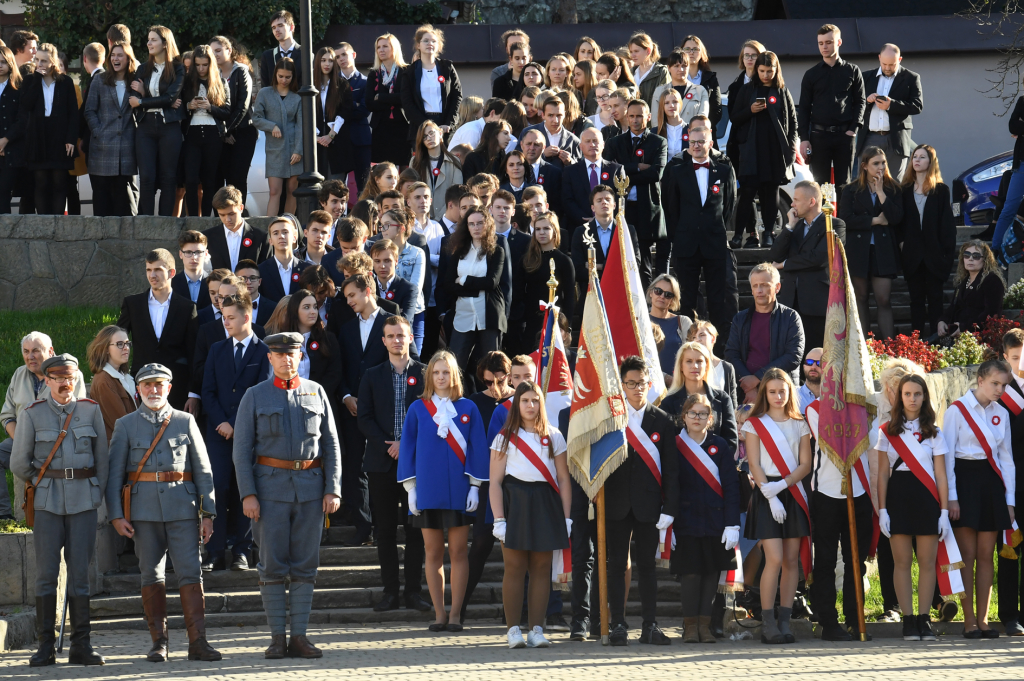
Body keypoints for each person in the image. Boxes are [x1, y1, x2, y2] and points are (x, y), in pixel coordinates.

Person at [233, 332, 342, 659]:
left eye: (291, 354)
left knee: (306, 566)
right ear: (270, 358)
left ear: (300, 356)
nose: (286, 360)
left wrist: (332, 487)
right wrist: (248, 495)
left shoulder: (316, 392)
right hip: (269, 494)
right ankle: (277, 637)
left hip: (310, 491)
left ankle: (300, 636)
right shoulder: (255, 395)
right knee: (272, 566)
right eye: (279, 355)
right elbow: (241, 451)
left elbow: (332, 445)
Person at [105, 363, 220, 662]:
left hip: (183, 509)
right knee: (151, 575)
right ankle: (159, 643)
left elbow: (203, 471)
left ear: (169, 388)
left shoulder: (185, 421)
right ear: (138, 390)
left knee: (191, 574)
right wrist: (116, 515)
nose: (153, 390)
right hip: (143, 514)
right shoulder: (125, 425)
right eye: (147, 386)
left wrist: (208, 514)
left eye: (159, 385)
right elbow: (115, 476)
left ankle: (198, 642)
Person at [11, 354, 107, 667]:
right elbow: (19, 462)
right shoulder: (32, 414)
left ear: (76, 378)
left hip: (83, 503)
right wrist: (44, 481)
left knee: (80, 576)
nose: (64, 383)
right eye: (58, 378)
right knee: (46, 576)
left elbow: (102, 460)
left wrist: (95, 494)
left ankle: (82, 645)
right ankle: (45, 648)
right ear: (48, 380)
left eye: (69, 377)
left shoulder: (90, 410)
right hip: (48, 503)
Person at [398, 351, 488, 632]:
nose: (440, 377)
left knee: (459, 552)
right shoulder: (417, 408)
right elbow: (408, 450)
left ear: (454, 376)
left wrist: (475, 486)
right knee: (432, 551)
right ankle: (439, 613)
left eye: (446, 372)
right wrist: (410, 489)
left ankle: (456, 614)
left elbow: (478, 448)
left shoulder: (468, 408)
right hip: (427, 492)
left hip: (460, 492)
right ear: (429, 376)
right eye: (436, 372)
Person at [601, 356, 678, 645]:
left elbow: (671, 469)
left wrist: (669, 507)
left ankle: (650, 625)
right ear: (621, 385)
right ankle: (618, 624)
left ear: (649, 384)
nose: (637, 389)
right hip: (616, 504)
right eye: (630, 383)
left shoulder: (662, 420)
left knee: (647, 566)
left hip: (649, 506)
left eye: (641, 383)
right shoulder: (610, 419)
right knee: (616, 564)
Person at [489, 381, 571, 648]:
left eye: (535, 401)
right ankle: (513, 630)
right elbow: (495, 482)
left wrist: (567, 517)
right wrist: (499, 518)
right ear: (517, 403)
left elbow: (563, 478)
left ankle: (537, 629)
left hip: (545, 504)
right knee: (514, 567)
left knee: (541, 568)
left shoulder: (554, 436)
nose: (530, 405)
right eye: (525, 400)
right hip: (515, 503)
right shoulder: (504, 437)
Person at [357, 316, 431, 613]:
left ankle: (413, 592)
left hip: (416, 465)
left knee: (416, 532)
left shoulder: (426, 374)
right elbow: (364, 418)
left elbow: (432, 416)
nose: (397, 340)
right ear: (384, 340)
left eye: (401, 335)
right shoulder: (372, 375)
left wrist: (406, 445)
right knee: (385, 532)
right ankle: (390, 592)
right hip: (381, 464)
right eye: (391, 336)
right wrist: (388, 445)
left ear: (411, 337)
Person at [802, 354, 875, 641]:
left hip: (858, 492)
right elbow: (831, 438)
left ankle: (855, 618)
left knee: (856, 559)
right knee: (827, 561)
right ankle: (828, 621)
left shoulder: (865, 410)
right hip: (827, 493)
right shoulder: (815, 409)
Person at [943, 360, 1016, 638]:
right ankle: (969, 621)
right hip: (964, 480)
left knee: (987, 555)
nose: (1000, 390)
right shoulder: (957, 410)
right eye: (995, 383)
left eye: (1004, 385)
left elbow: (1006, 460)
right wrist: (951, 497)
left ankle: (984, 621)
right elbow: (947, 457)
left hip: (992, 483)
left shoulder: (1002, 414)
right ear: (980, 380)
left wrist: (1009, 501)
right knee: (968, 555)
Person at [875, 373, 951, 642]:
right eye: (907, 394)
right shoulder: (887, 431)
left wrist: (943, 511)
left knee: (928, 563)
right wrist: (882, 510)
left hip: (927, 497)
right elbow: (882, 474)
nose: (912, 399)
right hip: (898, 496)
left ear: (924, 396)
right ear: (899, 397)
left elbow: (941, 474)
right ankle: (908, 621)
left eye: (917, 394)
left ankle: (924, 620)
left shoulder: (934, 432)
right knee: (902, 562)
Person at [200, 292, 271, 571]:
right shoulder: (217, 349)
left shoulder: (264, 351)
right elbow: (208, 391)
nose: (225, 323)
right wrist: (222, 422)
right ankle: (215, 552)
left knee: (246, 487)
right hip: (218, 432)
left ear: (247, 316)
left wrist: (236, 424)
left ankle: (242, 550)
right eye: (223, 317)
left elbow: (261, 393)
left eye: (231, 318)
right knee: (218, 486)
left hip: (249, 434)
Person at [742, 368, 811, 644]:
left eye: (782, 391)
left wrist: (782, 486)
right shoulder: (754, 423)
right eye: (772, 391)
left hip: (791, 490)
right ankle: (767, 622)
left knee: (791, 560)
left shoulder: (800, 423)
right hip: (765, 492)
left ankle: (785, 622)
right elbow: (754, 463)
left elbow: (805, 464)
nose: (778, 396)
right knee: (774, 558)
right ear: (764, 394)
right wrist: (770, 495)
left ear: (789, 391)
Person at [673, 392, 740, 643]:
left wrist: (732, 523)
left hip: (715, 521)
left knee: (711, 574)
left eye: (703, 414)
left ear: (710, 418)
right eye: (693, 413)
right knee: (690, 573)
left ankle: (705, 626)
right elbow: (669, 485)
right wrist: (667, 521)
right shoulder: (674, 445)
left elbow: (731, 487)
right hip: (685, 521)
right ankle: (690, 626)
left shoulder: (720, 446)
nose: (697, 418)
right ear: (684, 417)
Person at [0, 333, 87, 520]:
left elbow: (75, 415)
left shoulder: (70, 374)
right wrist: (22, 440)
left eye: (36, 351)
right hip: (21, 439)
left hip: (57, 442)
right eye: (26, 351)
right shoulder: (18, 374)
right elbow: (7, 415)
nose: (30, 356)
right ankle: (4, 515)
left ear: (50, 351)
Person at [661, 125, 735, 331]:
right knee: (685, 300)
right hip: (686, 244)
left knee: (718, 300)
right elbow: (670, 206)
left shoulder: (724, 170)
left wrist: (712, 227)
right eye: (692, 142)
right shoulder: (677, 172)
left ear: (710, 144)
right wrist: (681, 234)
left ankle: (718, 348)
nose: (696, 146)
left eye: (701, 142)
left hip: (715, 243)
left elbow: (728, 206)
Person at [336, 274, 388, 545]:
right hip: (353, 409)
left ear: (367, 291)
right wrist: (345, 395)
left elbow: (407, 359)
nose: (349, 301)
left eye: (352, 295)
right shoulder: (345, 329)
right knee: (354, 465)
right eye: (346, 298)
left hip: (384, 411)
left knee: (381, 468)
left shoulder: (390, 323)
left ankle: (382, 526)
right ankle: (362, 524)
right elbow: (340, 368)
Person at [730, 51, 798, 248]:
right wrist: (749, 111)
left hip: (775, 151)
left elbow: (793, 122)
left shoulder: (782, 91)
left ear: (777, 70)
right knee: (747, 193)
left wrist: (791, 147)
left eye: (770, 71)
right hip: (751, 151)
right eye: (762, 71)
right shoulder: (747, 90)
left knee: (771, 193)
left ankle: (769, 233)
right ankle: (738, 235)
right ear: (756, 70)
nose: (766, 75)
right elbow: (735, 118)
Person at [117, 249, 199, 410]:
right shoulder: (133, 305)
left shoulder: (187, 308)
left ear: (172, 272)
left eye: (158, 270)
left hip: (177, 388)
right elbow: (116, 340)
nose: (152, 275)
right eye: (149, 270)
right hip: (141, 385)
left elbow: (195, 353)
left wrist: (194, 393)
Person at [770, 180, 847, 350]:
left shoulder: (835, 224)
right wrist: (789, 227)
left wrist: (784, 264)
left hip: (817, 303)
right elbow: (774, 255)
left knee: (816, 356)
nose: (792, 204)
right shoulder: (795, 226)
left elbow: (819, 259)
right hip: (790, 302)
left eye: (796, 200)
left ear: (812, 202)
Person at [840, 145, 904, 340]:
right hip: (859, 250)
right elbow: (845, 219)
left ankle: (889, 346)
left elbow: (897, 217)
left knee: (883, 299)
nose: (881, 167)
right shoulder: (851, 190)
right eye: (876, 163)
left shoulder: (893, 188)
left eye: (883, 163)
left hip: (884, 250)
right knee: (860, 299)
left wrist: (881, 193)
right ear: (865, 166)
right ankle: (864, 347)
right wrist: (874, 221)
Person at [603, 98, 668, 286]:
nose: (635, 120)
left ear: (648, 117)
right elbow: (609, 171)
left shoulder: (658, 142)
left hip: (646, 208)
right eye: (631, 116)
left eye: (639, 116)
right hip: (622, 208)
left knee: (644, 260)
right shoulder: (615, 142)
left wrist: (624, 173)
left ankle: (646, 303)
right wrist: (637, 166)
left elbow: (656, 173)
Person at [444, 207, 507, 387]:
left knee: (492, 367)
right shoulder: (459, 252)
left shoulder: (497, 251)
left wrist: (463, 280)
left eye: (480, 223)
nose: (476, 227)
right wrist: (473, 289)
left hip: (489, 315)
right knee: (455, 365)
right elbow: (448, 285)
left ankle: (494, 403)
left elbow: (492, 282)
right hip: (463, 315)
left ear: (488, 224)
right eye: (471, 224)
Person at [725, 263, 804, 404]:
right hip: (746, 392)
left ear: (777, 287)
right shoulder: (740, 319)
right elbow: (731, 354)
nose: (759, 290)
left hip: (781, 392)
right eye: (755, 286)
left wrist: (757, 378)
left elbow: (793, 356)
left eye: (765, 285)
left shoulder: (791, 317)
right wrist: (750, 387)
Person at [798, 24, 866, 187]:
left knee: (845, 184)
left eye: (828, 42)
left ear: (839, 42)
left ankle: (843, 214)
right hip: (818, 136)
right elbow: (804, 108)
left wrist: (853, 129)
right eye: (821, 43)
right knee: (820, 185)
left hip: (845, 135)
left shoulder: (852, 71)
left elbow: (860, 101)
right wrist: (804, 139)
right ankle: (821, 214)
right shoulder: (811, 74)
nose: (824, 47)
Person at [901, 144, 957, 337]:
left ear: (931, 161)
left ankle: (936, 339)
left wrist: (945, 254)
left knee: (935, 299)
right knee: (915, 300)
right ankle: (916, 342)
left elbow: (947, 226)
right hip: (912, 256)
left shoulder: (941, 190)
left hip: (934, 256)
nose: (916, 160)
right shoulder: (905, 190)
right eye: (914, 156)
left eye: (922, 157)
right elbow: (901, 223)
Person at [129, 26, 185, 216]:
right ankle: (145, 221)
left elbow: (170, 98)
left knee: (168, 178)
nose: (149, 43)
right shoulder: (142, 68)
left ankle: (165, 223)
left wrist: (144, 99)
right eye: (148, 39)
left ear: (165, 43)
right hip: (145, 127)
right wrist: (144, 98)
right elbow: (133, 99)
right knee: (146, 177)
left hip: (169, 127)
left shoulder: (178, 68)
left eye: (153, 39)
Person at [18, 43, 78, 215]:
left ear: (53, 62)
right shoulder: (30, 80)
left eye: (44, 61)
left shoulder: (66, 82)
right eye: (37, 60)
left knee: (60, 182)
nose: (39, 64)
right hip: (38, 137)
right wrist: (37, 80)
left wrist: (71, 139)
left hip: (60, 137)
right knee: (41, 181)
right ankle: (44, 223)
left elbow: (73, 114)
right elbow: (26, 105)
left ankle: (58, 223)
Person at [83, 41, 137, 216]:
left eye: (120, 55)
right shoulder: (100, 80)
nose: (115, 58)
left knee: (124, 202)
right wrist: (98, 132)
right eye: (113, 55)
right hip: (102, 149)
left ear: (128, 58)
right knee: (102, 201)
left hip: (127, 149)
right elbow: (89, 110)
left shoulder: (136, 82)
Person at [858, 44, 923, 181]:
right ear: (879, 58)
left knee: (894, 184)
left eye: (892, 65)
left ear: (900, 59)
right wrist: (868, 101)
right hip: (870, 137)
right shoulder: (866, 77)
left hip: (896, 139)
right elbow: (855, 105)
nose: (887, 68)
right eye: (884, 64)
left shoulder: (911, 78)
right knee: (866, 184)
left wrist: (891, 105)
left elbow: (917, 106)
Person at [661, 341, 738, 454]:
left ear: (707, 365)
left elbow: (731, 441)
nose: (694, 366)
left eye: (699, 361)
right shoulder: (668, 403)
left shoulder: (722, 399)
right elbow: (666, 444)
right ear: (681, 366)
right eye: (689, 361)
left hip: (716, 468)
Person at [253, 58, 302, 217]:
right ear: (275, 75)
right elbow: (256, 118)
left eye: (288, 77)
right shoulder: (265, 93)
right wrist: (271, 126)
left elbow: (301, 126)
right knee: (274, 191)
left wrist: (299, 150)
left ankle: (288, 226)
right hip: (274, 150)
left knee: (292, 191)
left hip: (294, 149)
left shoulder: (297, 97)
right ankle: (270, 228)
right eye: (281, 76)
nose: (284, 80)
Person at [518, 211, 575, 344]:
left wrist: (567, 327)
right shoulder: (526, 260)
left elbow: (570, 297)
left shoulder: (564, 261)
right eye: (537, 229)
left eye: (546, 228)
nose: (541, 232)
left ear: (555, 230)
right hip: (531, 322)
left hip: (556, 322)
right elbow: (519, 292)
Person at [400, 25, 462, 145]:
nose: (430, 44)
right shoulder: (409, 72)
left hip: (444, 127)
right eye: (426, 41)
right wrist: (426, 126)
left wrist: (449, 123)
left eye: (434, 41)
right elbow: (407, 102)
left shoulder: (447, 67)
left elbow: (457, 96)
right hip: (420, 126)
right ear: (418, 45)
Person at [569, 183, 638, 286]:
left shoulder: (627, 230)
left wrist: (599, 266)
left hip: (620, 291)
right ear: (592, 207)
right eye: (599, 200)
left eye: (607, 199)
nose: (604, 202)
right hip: (591, 295)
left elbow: (634, 264)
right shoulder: (581, 232)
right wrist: (613, 270)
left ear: (614, 205)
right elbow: (577, 270)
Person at [1002, 331, 1024, 635]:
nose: (1021, 363)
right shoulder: (1002, 393)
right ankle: (1009, 614)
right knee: (1009, 550)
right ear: (1005, 357)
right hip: (1012, 482)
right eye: (1015, 358)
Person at [562, 129, 622, 229]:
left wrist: (605, 219)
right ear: (581, 146)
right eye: (588, 141)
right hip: (580, 227)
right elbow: (567, 201)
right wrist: (586, 220)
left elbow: (621, 198)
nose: (592, 144)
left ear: (603, 145)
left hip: (611, 226)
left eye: (595, 141)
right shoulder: (570, 171)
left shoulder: (616, 169)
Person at [86, 325, 137, 442]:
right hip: (119, 450)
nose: (126, 348)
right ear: (105, 349)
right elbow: (121, 423)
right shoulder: (104, 380)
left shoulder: (123, 376)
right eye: (120, 344)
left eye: (127, 343)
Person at [367, 34, 409, 167]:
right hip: (380, 128)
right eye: (378, 47)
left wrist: (381, 97)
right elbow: (369, 103)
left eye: (385, 46)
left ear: (394, 48)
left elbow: (405, 98)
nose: (381, 50)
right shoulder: (374, 73)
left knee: (403, 168)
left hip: (402, 126)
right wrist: (394, 99)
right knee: (381, 169)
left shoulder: (406, 71)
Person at [312, 46, 353, 181]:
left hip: (337, 142)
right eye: (323, 60)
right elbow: (305, 113)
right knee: (317, 188)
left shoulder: (342, 84)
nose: (327, 64)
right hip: (315, 143)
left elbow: (345, 112)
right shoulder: (310, 86)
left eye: (330, 60)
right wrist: (315, 137)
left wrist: (331, 135)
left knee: (335, 186)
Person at [725, 39, 767, 170]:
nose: (750, 58)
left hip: (762, 141)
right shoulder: (735, 86)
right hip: (740, 143)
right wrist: (750, 110)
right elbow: (733, 117)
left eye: (754, 55)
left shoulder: (768, 83)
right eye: (746, 55)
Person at [410, 120, 464, 220]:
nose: (429, 138)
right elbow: (412, 191)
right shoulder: (415, 162)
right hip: (422, 217)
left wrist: (441, 217)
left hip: (447, 217)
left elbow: (457, 192)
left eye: (431, 133)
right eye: (424, 137)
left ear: (440, 133)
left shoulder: (454, 161)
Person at [207, 186, 271, 269]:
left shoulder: (261, 237)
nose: (227, 219)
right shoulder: (207, 237)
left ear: (241, 208)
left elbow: (266, 271)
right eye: (222, 215)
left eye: (232, 214)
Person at [646, 274, 691, 383]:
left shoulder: (683, 322)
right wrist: (665, 377)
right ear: (651, 292)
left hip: (678, 386)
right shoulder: (640, 321)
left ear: (672, 300)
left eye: (668, 294)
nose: (662, 296)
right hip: (647, 386)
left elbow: (692, 354)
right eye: (658, 291)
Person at [678, 36, 721, 142]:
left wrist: (701, 127)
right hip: (678, 133)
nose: (691, 52)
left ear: (702, 53)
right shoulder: (673, 77)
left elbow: (716, 109)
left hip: (704, 135)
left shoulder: (710, 78)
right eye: (687, 49)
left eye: (695, 49)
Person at [519, 97, 582, 170]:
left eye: (559, 115)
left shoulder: (573, 140)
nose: (555, 120)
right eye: (551, 115)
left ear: (564, 114)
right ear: (543, 115)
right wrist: (542, 154)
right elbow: (518, 160)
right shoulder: (527, 133)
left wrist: (570, 162)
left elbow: (580, 169)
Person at [257, 217, 311, 302]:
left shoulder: (307, 269)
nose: (281, 236)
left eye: (285, 232)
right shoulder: (260, 271)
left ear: (294, 237)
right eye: (275, 233)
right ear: (270, 241)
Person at [689, 319, 738, 405]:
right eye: (694, 337)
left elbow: (732, 404)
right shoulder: (687, 366)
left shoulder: (727, 368)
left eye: (702, 335)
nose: (697, 340)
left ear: (713, 338)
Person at [258, 10, 301, 88]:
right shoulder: (267, 56)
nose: (276, 30)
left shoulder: (305, 54)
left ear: (291, 27)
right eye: (273, 27)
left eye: (280, 25)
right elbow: (265, 88)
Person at [628, 33, 670, 114]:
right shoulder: (631, 72)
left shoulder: (661, 71)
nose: (632, 55)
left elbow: (666, 99)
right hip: (633, 122)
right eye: (631, 52)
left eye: (636, 51)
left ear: (648, 51)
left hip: (654, 122)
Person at [171, 231, 211, 310]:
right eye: (188, 252)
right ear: (180, 254)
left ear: (206, 254)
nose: (194, 257)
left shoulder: (214, 283)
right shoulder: (171, 284)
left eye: (198, 252)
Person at [235, 260, 276, 327]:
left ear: (259, 281)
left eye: (253, 278)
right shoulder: (229, 306)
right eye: (243, 278)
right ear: (235, 281)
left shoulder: (273, 308)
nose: (248, 282)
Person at [796, 348, 823, 415]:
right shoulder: (791, 395)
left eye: (819, 363)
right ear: (804, 366)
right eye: (809, 362)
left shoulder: (836, 399)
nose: (813, 367)